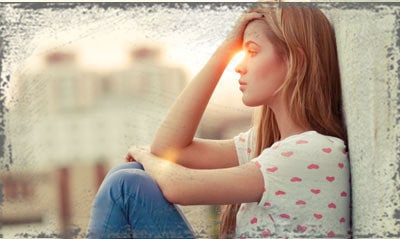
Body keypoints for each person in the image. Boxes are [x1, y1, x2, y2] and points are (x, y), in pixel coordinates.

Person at [87, 4, 351, 239]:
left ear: (295, 60)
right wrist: (227, 48)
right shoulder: (264, 145)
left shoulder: (314, 151)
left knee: (125, 187)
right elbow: (170, 149)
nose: (239, 65)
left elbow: (178, 186)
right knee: (125, 175)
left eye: (252, 51)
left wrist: (145, 155)